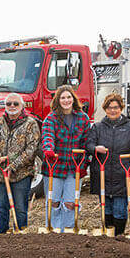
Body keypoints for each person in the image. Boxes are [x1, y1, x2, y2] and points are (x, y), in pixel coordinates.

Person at [86, 93, 130, 236]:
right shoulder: (98, 127)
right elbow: (88, 144)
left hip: (123, 176)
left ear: (121, 108)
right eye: (110, 107)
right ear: (105, 109)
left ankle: (118, 238)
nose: (113, 110)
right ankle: (108, 236)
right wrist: (94, 149)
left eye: (116, 107)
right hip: (102, 175)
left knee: (119, 209)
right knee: (106, 209)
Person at [0, 93, 40, 233]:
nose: (12, 106)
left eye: (15, 104)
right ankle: (1, 235)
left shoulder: (30, 124)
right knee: (1, 208)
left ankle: (20, 235)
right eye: (9, 104)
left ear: (22, 106)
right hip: (0, 173)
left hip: (21, 174)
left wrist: (13, 165)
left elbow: (31, 149)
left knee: (20, 209)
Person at [40, 85, 90, 232]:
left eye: (69, 97)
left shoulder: (83, 118)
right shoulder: (51, 118)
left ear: (73, 99)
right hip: (55, 165)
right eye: (63, 98)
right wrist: (48, 149)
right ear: (58, 100)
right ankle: (54, 230)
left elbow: (87, 141)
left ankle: (68, 231)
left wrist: (84, 162)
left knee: (70, 202)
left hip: (75, 167)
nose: (66, 100)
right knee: (54, 201)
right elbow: (48, 135)